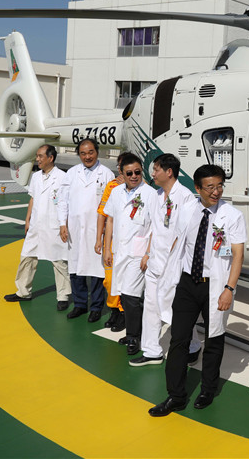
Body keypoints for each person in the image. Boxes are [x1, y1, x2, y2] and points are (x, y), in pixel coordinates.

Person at [148, 164, 246, 416]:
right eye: (210, 187)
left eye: (220, 186)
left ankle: (207, 389)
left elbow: (237, 255)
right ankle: (175, 396)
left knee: (214, 339)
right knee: (179, 339)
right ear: (198, 188)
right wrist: (168, 275)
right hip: (187, 283)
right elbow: (178, 243)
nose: (216, 192)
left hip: (215, 285)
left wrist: (229, 288)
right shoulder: (188, 210)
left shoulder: (232, 216)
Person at [133, 154, 204, 367]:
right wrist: (147, 253)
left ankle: (193, 345)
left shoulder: (186, 198)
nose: (152, 174)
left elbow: (183, 235)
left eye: (156, 170)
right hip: (155, 261)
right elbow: (155, 228)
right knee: (151, 306)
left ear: (169, 172)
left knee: (178, 309)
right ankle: (152, 350)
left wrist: (171, 261)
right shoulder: (156, 195)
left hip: (175, 264)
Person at [4, 144, 72, 310]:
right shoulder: (35, 177)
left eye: (41, 156)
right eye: (37, 156)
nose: (38, 159)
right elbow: (33, 199)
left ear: (51, 158)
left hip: (54, 225)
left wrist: (65, 225)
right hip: (36, 224)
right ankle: (23, 291)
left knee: (59, 261)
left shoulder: (63, 178)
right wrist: (27, 220)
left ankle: (63, 296)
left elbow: (67, 204)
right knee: (27, 257)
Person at [103, 152, 155, 355]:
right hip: (120, 251)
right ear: (122, 174)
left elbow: (155, 227)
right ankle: (135, 331)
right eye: (129, 173)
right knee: (123, 294)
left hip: (138, 253)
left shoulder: (150, 194)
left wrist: (148, 253)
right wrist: (107, 248)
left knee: (132, 297)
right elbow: (110, 220)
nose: (134, 176)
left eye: (138, 172)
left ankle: (135, 337)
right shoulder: (116, 192)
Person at [58, 138, 114, 322]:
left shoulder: (106, 174)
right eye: (83, 153)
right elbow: (63, 201)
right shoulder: (72, 173)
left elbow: (111, 206)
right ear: (79, 155)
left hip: (97, 229)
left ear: (97, 152)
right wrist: (62, 224)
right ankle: (80, 304)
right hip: (74, 227)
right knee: (75, 267)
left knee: (96, 269)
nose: (87, 156)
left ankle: (97, 306)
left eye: (90, 152)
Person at [95, 156, 126, 332]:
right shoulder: (112, 186)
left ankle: (123, 313)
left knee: (126, 280)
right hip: (112, 241)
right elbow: (102, 213)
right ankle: (114, 309)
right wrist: (99, 238)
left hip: (131, 243)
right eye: (122, 167)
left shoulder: (142, 188)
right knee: (109, 280)